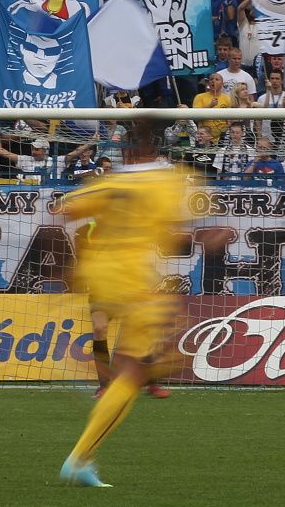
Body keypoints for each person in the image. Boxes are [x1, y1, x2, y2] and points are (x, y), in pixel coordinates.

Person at [58, 120, 192, 488]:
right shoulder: (168, 180)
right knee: (137, 369)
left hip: (99, 275)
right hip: (134, 280)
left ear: (128, 151)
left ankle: (119, 385)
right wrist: (204, 238)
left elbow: (64, 211)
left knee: (140, 356)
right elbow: (173, 237)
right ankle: (80, 456)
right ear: (157, 149)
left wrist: (66, 263)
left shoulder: (110, 180)